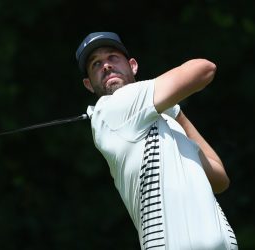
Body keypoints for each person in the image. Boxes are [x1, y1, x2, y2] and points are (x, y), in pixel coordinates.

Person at [76, 32, 238, 250]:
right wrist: (169, 101)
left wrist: (175, 113)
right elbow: (204, 68)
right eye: (96, 64)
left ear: (133, 65)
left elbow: (219, 179)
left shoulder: (166, 122)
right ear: (88, 84)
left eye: (112, 57)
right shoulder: (112, 108)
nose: (106, 66)